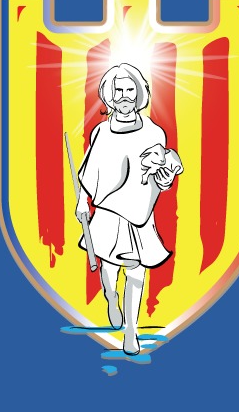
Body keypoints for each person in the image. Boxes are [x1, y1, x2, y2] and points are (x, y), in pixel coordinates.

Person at [76, 62, 182, 357]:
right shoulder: (100, 132)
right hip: (108, 214)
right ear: (110, 95)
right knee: (109, 272)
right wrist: (82, 201)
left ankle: (132, 330)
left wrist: (167, 174)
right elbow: (89, 171)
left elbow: (160, 177)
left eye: (130, 90)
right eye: (118, 90)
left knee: (136, 272)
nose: (124, 95)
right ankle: (111, 297)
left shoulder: (153, 133)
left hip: (138, 215)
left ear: (139, 93)